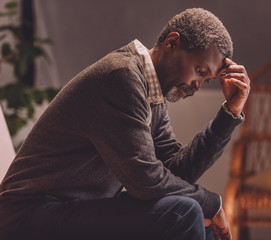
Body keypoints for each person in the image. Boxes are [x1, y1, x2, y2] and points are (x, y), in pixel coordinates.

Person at [0, 8, 250, 240]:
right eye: (199, 70)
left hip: (67, 207)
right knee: (182, 213)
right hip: (28, 215)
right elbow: (146, 181)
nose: (197, 85)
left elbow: (177, 174)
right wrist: (212, 202)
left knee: (194, 217)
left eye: (206, 80)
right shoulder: (120, 77)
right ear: (172, 43)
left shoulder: (152, 93)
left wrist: (229, 113)